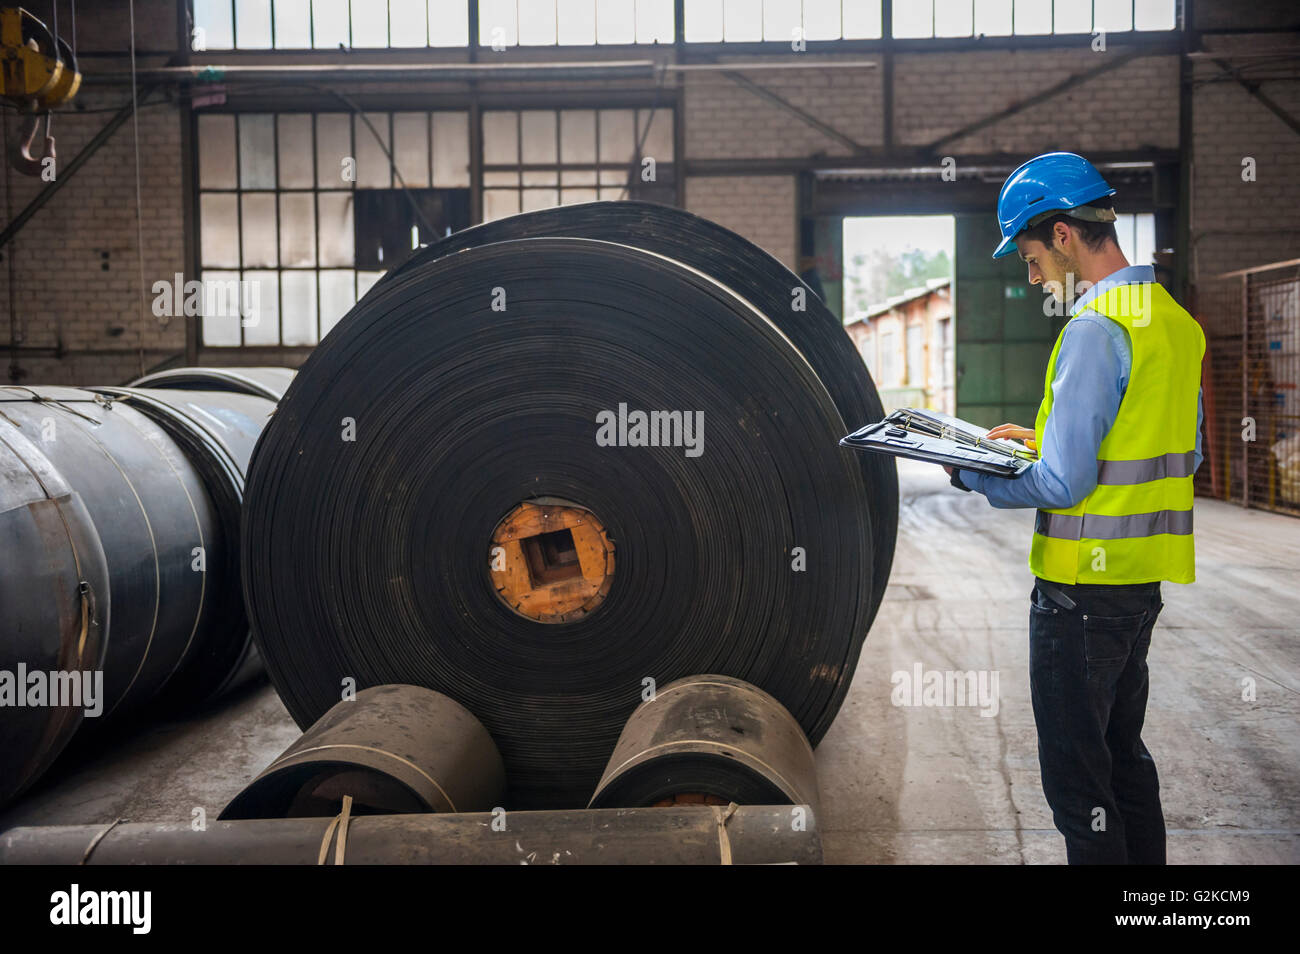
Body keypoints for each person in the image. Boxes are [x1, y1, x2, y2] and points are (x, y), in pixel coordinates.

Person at [945, 152, 1205, 865]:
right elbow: (1181, 453)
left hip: (1079, 595)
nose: (1032, 280)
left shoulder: (1094, 328)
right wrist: (1045, 440)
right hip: (1138, 588)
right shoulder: (1174, 323)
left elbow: (1063, 486)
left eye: (1030, 260)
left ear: (1063, 235)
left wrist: (974, 475)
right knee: (1123, 763)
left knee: (1078, 786)